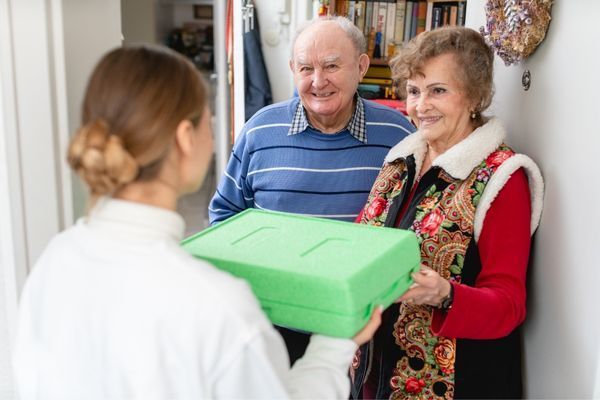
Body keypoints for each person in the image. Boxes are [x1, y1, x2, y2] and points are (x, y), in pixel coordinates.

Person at [12, 44, 383, 400]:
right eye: (208, 119)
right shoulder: (218, 306)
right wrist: (337, 340)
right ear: (185, 138)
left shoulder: (55, 259)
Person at [351, 27, 544, 399]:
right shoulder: (400, 161)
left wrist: (444, 294)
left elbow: (510, 305)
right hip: (374, 375)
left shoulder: (503, 178)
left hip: (457, 384)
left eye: (438, 90)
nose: (420, 105)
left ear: (475, 94)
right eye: (413, 91)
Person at [208, 15, 414, 364]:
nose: (318, 81)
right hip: (273, 324)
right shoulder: (259, 131)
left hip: (364, 328)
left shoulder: (400, 137)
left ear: (361, 67)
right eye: (306, 68)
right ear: (293, 69)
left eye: (332, 65)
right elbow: (223, 218)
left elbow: (413, 227)